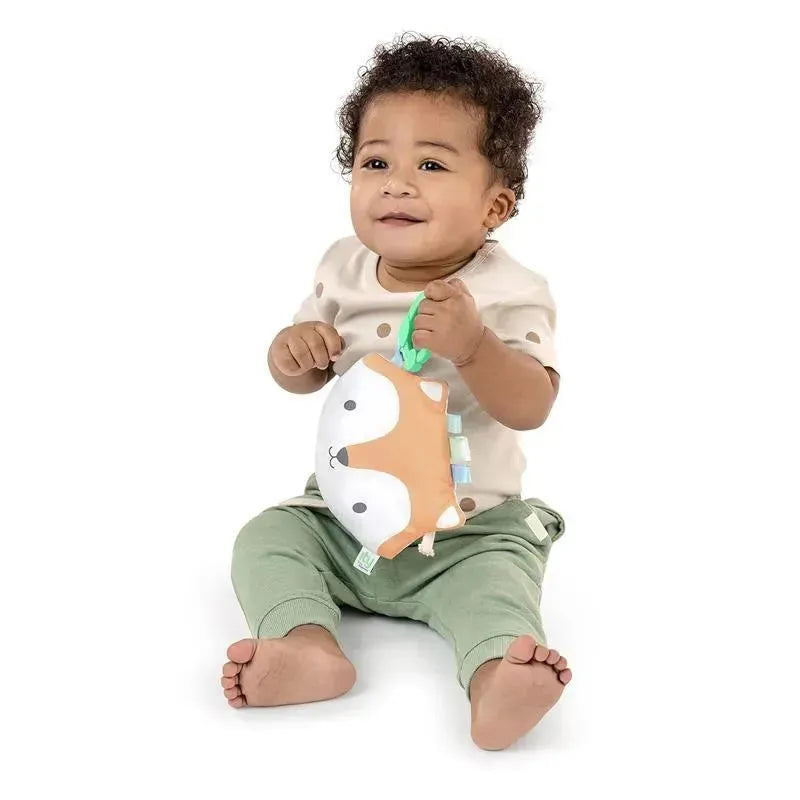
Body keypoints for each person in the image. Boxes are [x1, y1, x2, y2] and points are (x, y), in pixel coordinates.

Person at [220, 33, 571, 751]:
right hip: (340, 519)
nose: (396, 184)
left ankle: (497, 678)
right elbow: (301, 374)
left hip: (469, 532)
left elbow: (532, 406)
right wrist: (292, 353)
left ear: (496, 205)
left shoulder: (508, 292)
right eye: (375, 162)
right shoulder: (343, 268)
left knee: (496, 591)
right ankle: (307, 643)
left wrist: (475, 347)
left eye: (431, 165)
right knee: (266, 537)